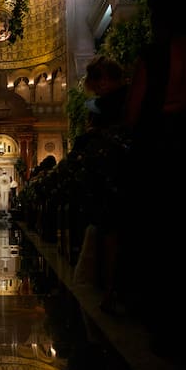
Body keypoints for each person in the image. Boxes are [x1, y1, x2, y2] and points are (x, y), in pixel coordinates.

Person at [122, 0, 186, 363]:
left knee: (163, 240)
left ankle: (167, 332)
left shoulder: (154, 57)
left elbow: (134, 114)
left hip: (162, 154)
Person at [72, 56, 130, 312]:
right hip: (112, 170)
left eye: (97, 82)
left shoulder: (115, 102)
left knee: (112, 231)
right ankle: (112, 289)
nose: (96, 88)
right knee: (111, 231)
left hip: (118, 170)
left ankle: (112, 290)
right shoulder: (111, 101)